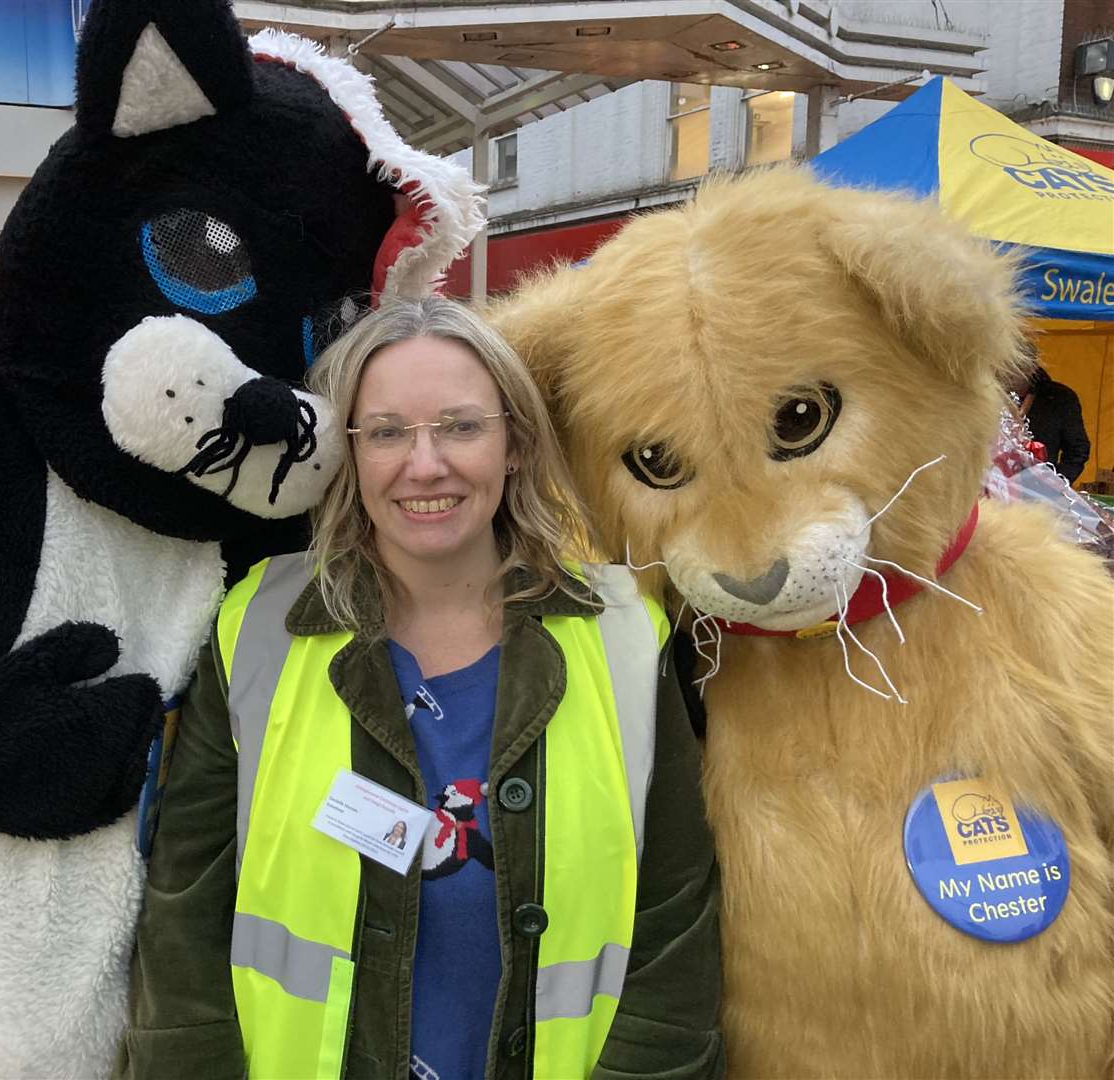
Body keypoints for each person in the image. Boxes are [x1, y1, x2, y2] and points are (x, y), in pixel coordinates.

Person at [114, 297, 723, 1080]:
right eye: (388, 432)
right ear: (351, 453)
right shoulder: (257, 625)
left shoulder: (626, 634)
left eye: (461, 426)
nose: (424, 464)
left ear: (513, 445)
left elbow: (675, 918)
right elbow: (184, 910)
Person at [1016, 363, 1091, 484]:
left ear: (1031, 368)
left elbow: (1077, 449)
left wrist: (1056, 482)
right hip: (990, 488)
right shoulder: (987, 394)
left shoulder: (1061, 397)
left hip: (1038, 491)